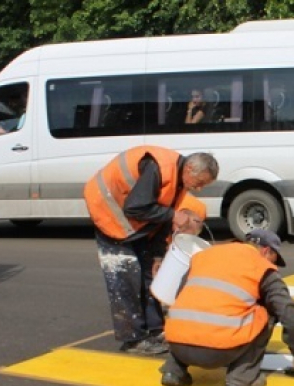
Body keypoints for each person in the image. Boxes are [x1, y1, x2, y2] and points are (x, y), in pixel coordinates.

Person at [84, 147, 219, 355]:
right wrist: (172, 215)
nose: (199, 189)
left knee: (151, 274)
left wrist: (157, 256)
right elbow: (135, 207)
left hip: (134, 221)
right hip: (109, 210)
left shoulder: (178, 181)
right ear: (190, 168)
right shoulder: (158, 168)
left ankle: (155, 330)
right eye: (199, 183)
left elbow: (161, 218)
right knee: (125, 276)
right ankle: (133, 339)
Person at [160, 229, 294, 386]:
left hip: (176, 343)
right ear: (266, 251)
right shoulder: (261, 265)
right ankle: (240, 379)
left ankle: (173, 371)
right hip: (219, 352)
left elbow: (179, 296)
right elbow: (290, 316)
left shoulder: (204, 255)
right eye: (274, 259)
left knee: (191, 307)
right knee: (268, 311)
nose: (274, 266)